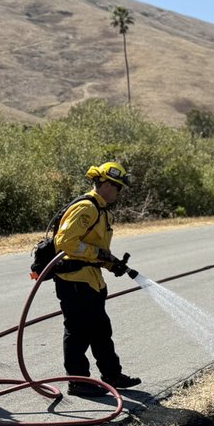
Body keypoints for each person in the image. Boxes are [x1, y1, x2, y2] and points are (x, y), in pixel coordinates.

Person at [53, 162, 142, 397]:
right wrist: (98, 255)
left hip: (91, 281)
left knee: (101, 330)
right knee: (78, 331)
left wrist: (112, 263)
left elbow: (94, 247)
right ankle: (78, 381)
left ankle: (112, 375)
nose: (119, 193)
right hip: (75, 281)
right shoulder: (87, 208)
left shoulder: (101, 211)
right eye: (117, 187)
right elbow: (65, 243)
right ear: (105, 184)